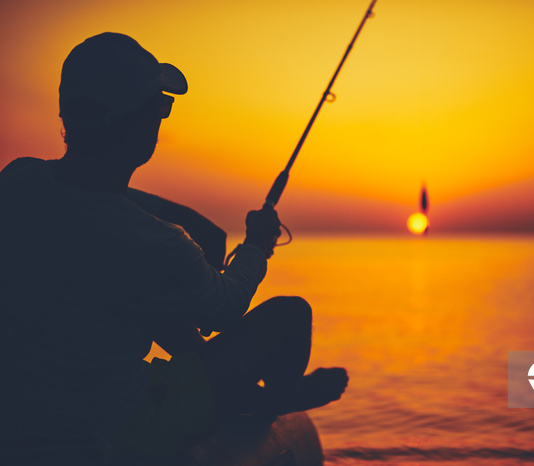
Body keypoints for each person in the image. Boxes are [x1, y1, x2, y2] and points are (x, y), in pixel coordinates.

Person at [0, 32, 348, 462]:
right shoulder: (153, 244)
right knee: (291, 314)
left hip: (25, 416)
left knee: (136, 294)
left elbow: (88, 195)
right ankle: (272, 401)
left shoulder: (18, 182)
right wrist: (257, 245)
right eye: (161, 108)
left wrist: (187, 217)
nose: (160, 119)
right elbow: (226, 307)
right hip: (124, 427)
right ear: (142, 123)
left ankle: (236, 393)